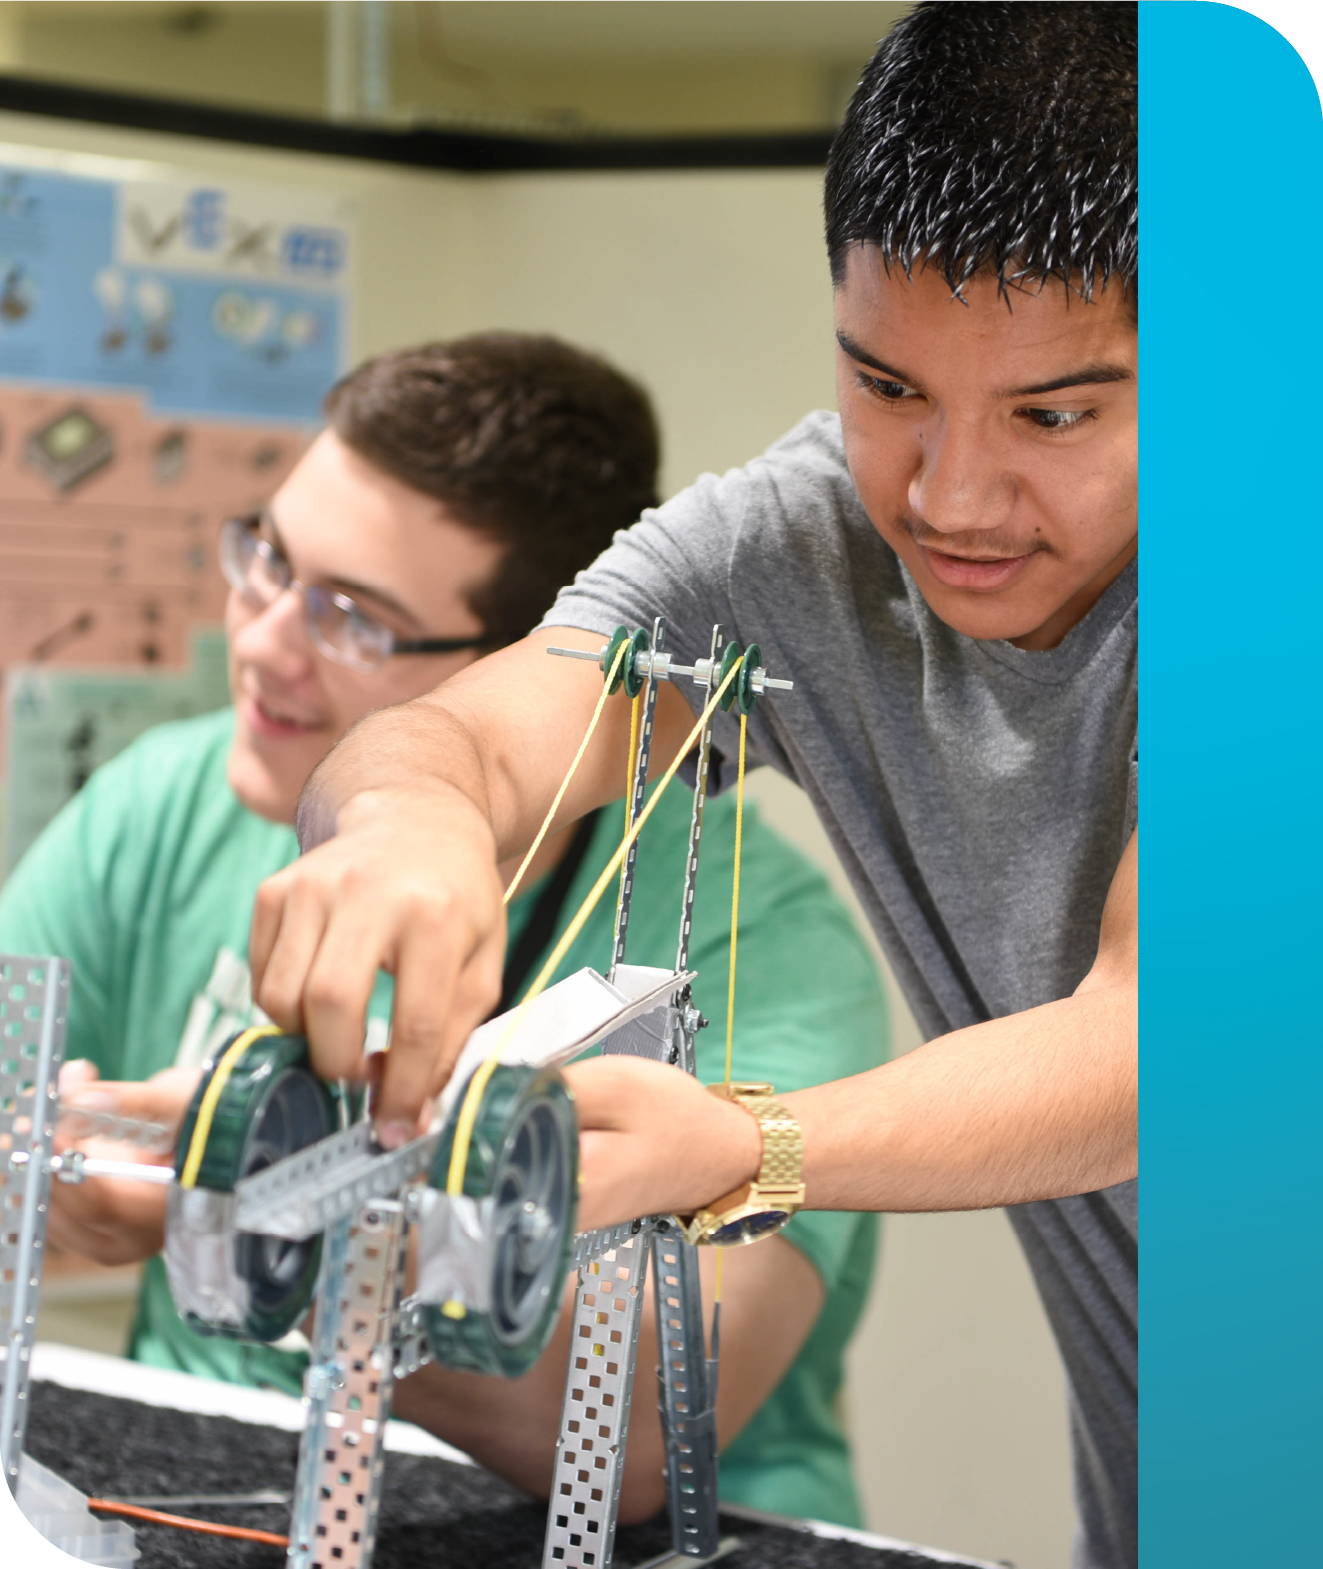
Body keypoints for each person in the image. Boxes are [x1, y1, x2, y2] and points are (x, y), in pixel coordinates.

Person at [237, 4, 1138, 1566]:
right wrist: (406, 823)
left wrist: (747, 1143)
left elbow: (1160, 1048)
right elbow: (491, 719)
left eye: (1052, 414)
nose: (948, 494)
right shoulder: (803, 541)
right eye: (886, 386)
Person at [0, 332, 887, 1527]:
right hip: (197, 1479)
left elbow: (635, 1439)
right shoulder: (169, 799)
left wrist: (270, 1217)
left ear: (523, 673)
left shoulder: (754, 940)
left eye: (352, 619)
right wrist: (52, 1179)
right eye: (266, 558)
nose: (259, 643)